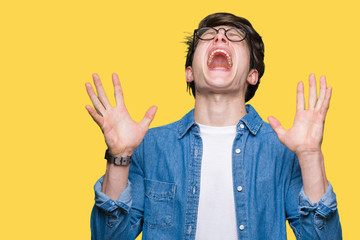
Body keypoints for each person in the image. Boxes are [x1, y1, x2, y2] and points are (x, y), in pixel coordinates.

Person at [86, 12, 342, 240]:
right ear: (190, 72)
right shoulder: (149, 146)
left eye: (235, 36)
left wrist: (309, 156)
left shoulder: (282, 150)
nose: (220, 38)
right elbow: (108, 237)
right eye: (208, 35)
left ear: (253, 75)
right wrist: (119, 156)